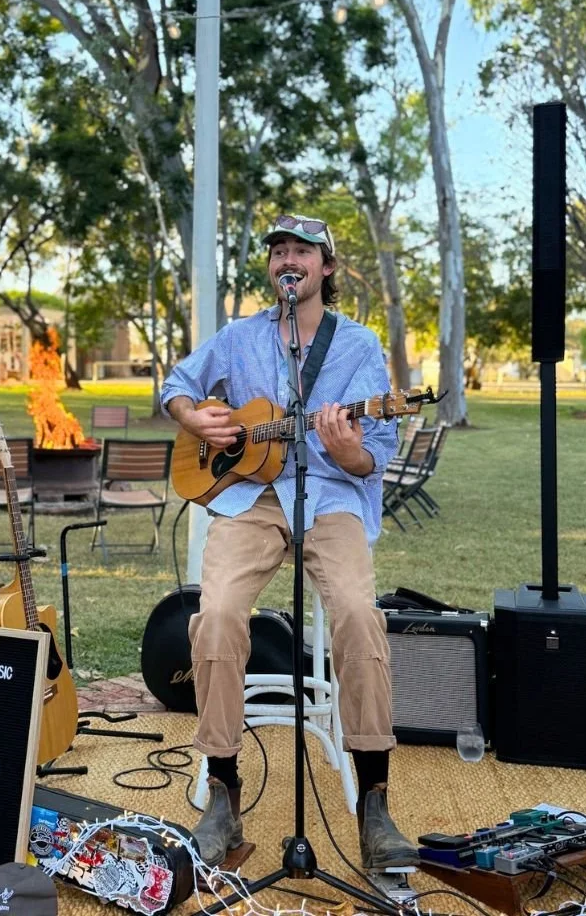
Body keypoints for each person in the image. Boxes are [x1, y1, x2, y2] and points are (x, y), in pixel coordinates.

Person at [160, 214, 419, 871]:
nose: (287, 259)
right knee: (215, 616)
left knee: (360, 616)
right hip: (250, 500)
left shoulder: (358, 348)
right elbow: (176, 386)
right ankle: (223, 786)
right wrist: (198, 420)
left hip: (331, 497)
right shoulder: (240, 336)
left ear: (325, 268)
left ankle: (375, 799)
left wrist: (347, 446)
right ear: (271, 268)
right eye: (278, 250)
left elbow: (371, 463)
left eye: (301, 250)